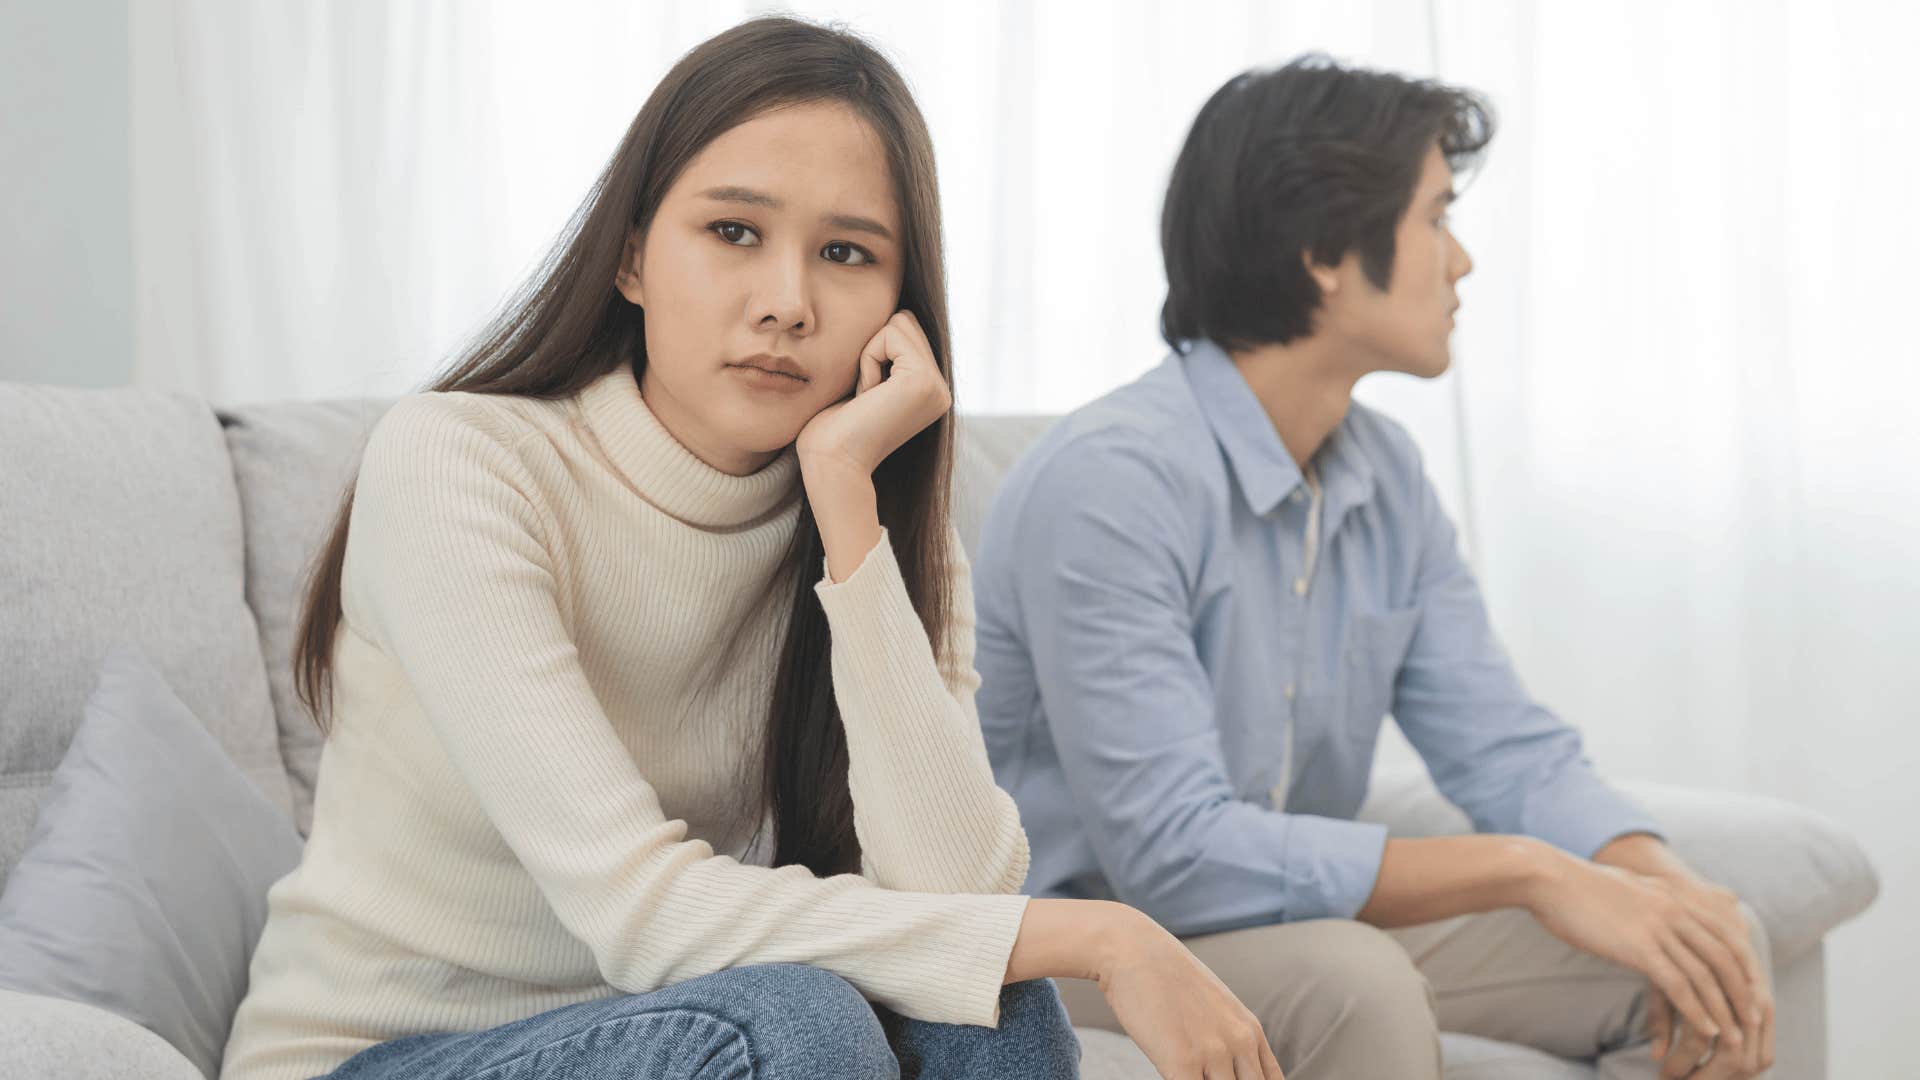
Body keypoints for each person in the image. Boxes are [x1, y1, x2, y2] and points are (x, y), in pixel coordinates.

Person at [221, 18, 1281, 1080]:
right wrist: (1108, 934)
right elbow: (637, 912)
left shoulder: (876, 523)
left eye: (846, 254)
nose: (787, 301)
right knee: (800, 1023)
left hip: (687, 1032)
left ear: (898, 309)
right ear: (632, 254)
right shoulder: (462, 463)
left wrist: (846, 512)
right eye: (734, 233)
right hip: (382, 1057)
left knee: (997, 1016)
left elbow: (956, 894)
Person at [973, 55, 1775, 1080]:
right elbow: (1175, 857)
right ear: (1324, 253)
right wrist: (1528, 872)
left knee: (1706, 951)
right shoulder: (1113, 484)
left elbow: (1506, 751)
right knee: (1357, 978)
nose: (1464, 261)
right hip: (1086, 944)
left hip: (1270, 916)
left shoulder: (1383, 474)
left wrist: (1651, 877)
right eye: (1437, 217)